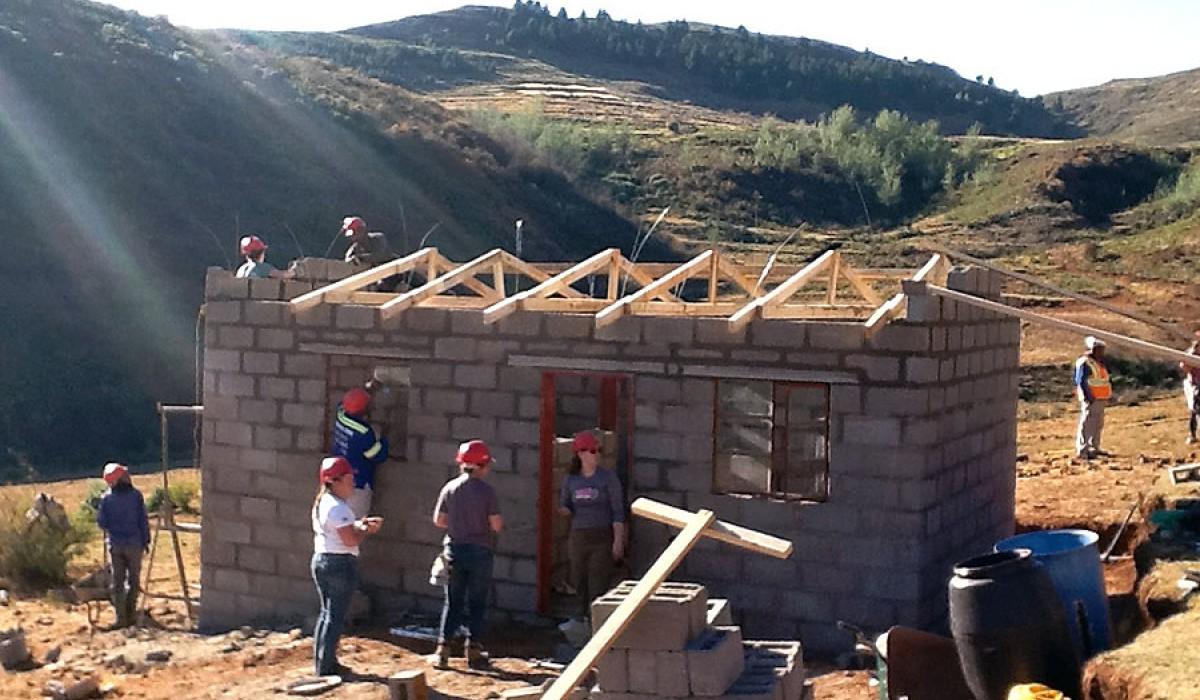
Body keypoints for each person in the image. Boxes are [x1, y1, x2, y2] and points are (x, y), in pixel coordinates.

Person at [432, 440, 503, 670]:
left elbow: (439, 520)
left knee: (452, 601)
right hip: (480, 552)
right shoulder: (487, 491)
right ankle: (473, 651)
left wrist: (458, 523)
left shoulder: (450, 488)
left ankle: (442, 651)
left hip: (454, 551)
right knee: (477, 602)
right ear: (482, 466)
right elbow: (496, 525)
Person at [311, 456, 383, 677]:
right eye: (349, 480)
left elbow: (342, 531)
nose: (352, 484)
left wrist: (359, 524)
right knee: (335, 617)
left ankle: (323, 662)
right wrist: (365, 530)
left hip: (324, 560)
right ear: (335, 481)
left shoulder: (326, 502)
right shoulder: (337, 508)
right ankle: (327, 667)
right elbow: (350, 540)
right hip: (339, 564)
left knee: (327, 615)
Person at [558, 431, 625, 629]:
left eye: (597, 451)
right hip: (579, 536)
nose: (595, 455)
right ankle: (580, 621)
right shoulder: (571, 480)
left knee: (597, 581)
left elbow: (618, 512)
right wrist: (562, 510)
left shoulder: (607, 478)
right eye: (591, 451)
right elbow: (566, 504)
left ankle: (597, 625)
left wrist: (618, 540)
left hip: (602, 536)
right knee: (579, 579)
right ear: (580, 454)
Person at [95, 463, 150, 629]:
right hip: (134, 544)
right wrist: (146, 541)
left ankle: (121, 619)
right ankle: (131, 615)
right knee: (134, 581)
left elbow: (101, 523)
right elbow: (143, 520)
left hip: (115, 545)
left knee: (117, 583)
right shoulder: (135, 496)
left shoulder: (106, 499)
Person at [330, 387, 388, 518]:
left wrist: (366, 390)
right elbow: (377, 455)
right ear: (363, 410)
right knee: (354, 526)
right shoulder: (363, 433)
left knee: (337, 523)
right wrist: (384, 440)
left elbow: (346, 403)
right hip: (356, 484)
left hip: (337, 480)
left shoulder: (340, 414)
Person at [340, 216, 403, 292]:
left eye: (355, 234)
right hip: (381, 272)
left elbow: (378, 256)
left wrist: (360, 258)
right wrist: (351, 259)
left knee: (413, 277)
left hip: (395, 266)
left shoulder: (378, 238)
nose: (353, 238)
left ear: (362, 231)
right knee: (382, 287)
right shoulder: (356, 247)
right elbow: (348, 257)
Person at [1074, 336, 1112, 459]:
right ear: (1092, 349)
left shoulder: (1098, 363)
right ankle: (1082, 449)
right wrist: (1088, 396)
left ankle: (1094, 447)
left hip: (1100, 398)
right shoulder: (1085, 362)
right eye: (1100, 349)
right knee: (1087, 423)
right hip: (1091, 398)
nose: (1102, 352)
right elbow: (1080, 380)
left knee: (1097, 423)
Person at [1180, 332, 1200, 444]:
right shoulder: (1190, 354)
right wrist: (1193, 355)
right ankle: (1192, 435)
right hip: (1195, 385)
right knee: (1195, 410)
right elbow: (1184, 367)